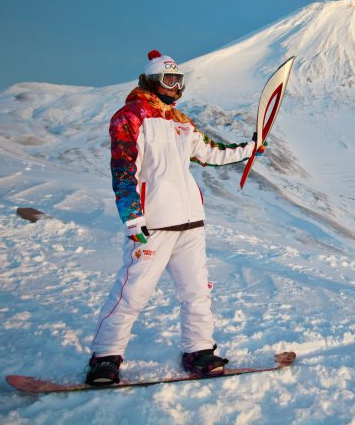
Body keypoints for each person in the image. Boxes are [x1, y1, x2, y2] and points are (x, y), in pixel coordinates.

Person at [86, 50, 265, 386]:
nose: (175, 87)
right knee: (132, 292)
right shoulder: (129, 117)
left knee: (196, 291)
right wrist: (132, 217)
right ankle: (105, 357)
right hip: (152, 223)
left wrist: (250, 148)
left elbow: (211, 152)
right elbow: (123, 170)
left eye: (179, 80)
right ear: (153, 81)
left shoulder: (180, 121)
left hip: (190, 223)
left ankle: (198, 352)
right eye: (169, 80)